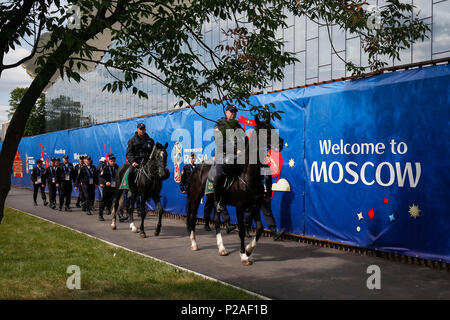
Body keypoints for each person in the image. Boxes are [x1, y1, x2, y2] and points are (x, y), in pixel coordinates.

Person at [212, 104, 245, 233]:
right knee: (219, 175)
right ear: (226, 112)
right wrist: (235, 149)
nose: (233, 114)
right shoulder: (219, 124)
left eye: (235, 112)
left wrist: (244, 147)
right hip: (222, 154)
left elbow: (244, 139)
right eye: (231, 112)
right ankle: (218, 200)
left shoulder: (237, 125)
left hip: (237, 157)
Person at [244, 166, 284, 240]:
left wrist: (269, 193)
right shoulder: (254, 168)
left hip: (265, 195)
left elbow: (269, 182)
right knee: (249, 211)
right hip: (255, 195)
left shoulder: (267, 168)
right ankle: (246, 229)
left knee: (267, 213)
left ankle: (274, 233)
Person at [125, 122, 155, 196]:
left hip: (147, 162)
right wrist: (132, 162)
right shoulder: (132, 140)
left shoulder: (150, 140)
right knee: (131, 172)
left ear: (145, 130)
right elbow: (129, 153)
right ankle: (131, 190)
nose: (142, 131)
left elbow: (153, 152)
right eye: (140, 129)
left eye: (143, 129)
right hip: (136, 162)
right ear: (137, 129)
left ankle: (155, 191)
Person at [98, 155, 118, 221]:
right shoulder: (105, 168)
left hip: (114, 187)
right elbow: (100, 177)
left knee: (112, 201)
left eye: (114, 161)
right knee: (104, 201)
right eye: (111, 161)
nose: (113, 162)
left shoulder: (116, 167)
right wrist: (105, 182)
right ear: (109, 161)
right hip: (107, 187)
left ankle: (118, 215)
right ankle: (100, 215)